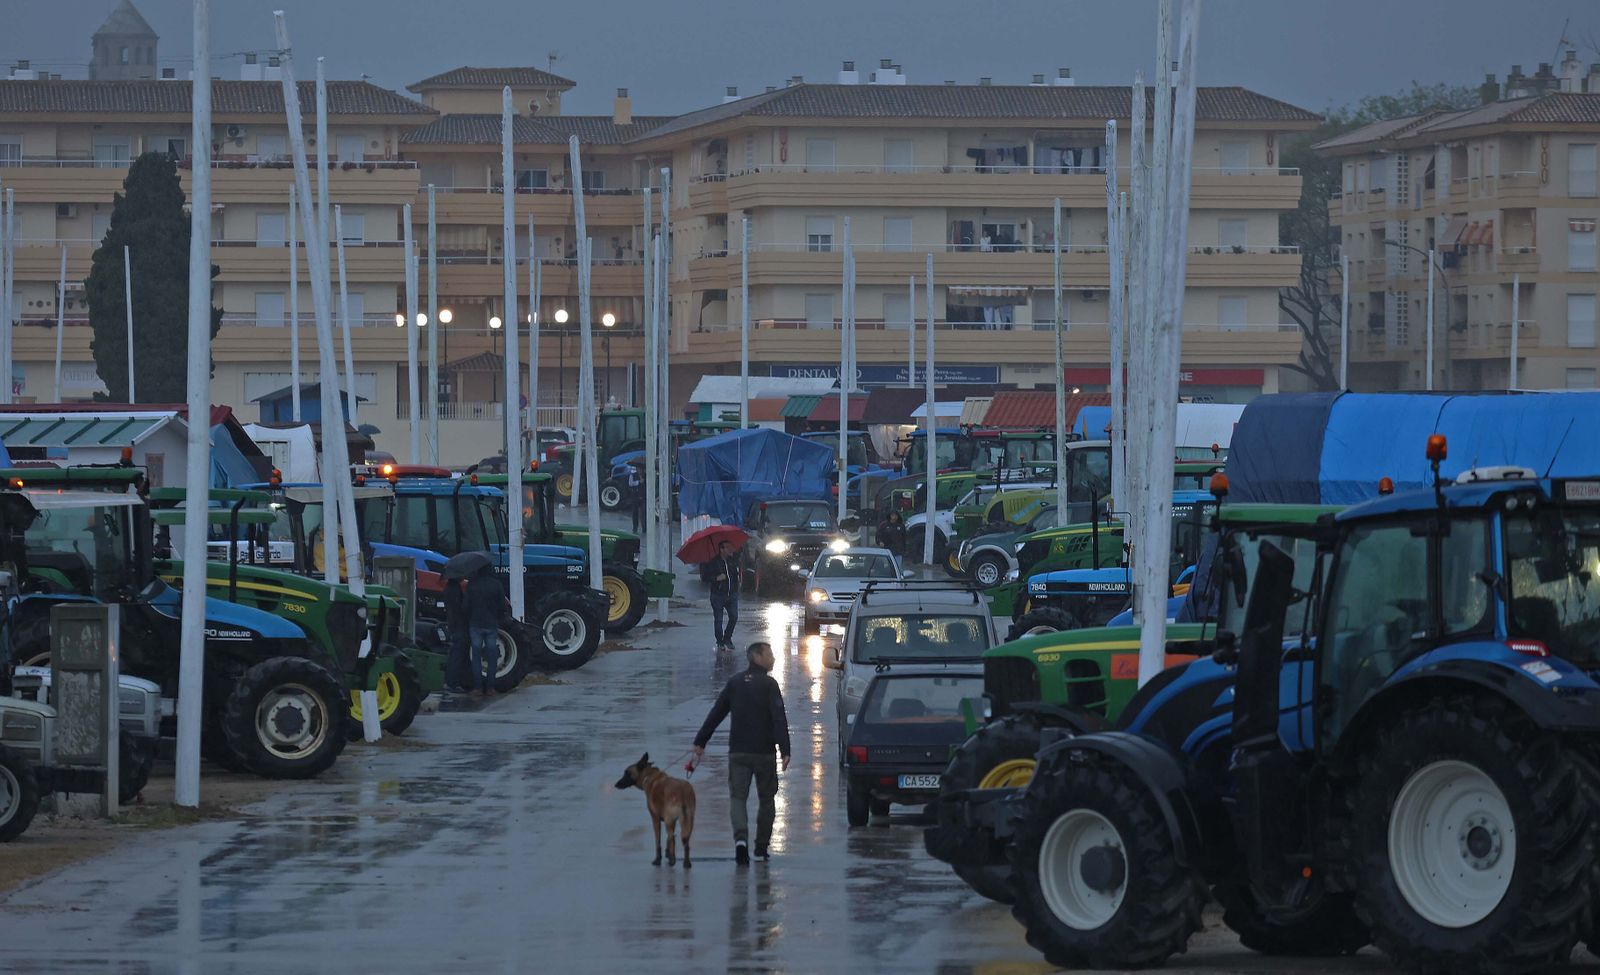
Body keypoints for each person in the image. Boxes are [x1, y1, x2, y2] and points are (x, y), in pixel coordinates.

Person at [691, 641, 791, 865]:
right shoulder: (769, 685)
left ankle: (741, 842)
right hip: (764, 753)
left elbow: (717, 713)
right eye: (770, 654)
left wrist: (700, 742)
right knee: (767, 800)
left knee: (738, 798)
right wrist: (785, 750)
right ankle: (762, 848)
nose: (773, 658)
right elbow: (778, 718)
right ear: (757, 657)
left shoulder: (735, 683)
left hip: (738, 752)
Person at [465, 566, 506, 696]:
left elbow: (466, 606)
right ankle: (490, 688)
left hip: (475, 623)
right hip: (491, 624)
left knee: (476, 656)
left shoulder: (472, 585)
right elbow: (502, 605)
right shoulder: (497, 585)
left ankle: (477, 687)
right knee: (492, 656)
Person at [700, 539, 740, 651]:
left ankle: (727, 638)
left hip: (731, 595)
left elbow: (735, 576)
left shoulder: (732, 561)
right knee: (718, 620)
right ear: (721, 549)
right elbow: (704, 577)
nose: (730, 549)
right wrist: (716, 578)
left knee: (734, 617)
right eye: (727, 547)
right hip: (718, 595)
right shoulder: (713, 562)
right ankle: (720, 641)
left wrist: (736, 589)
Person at [443, 576, 471, 693]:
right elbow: (461, 607)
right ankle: (452, 682)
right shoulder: (455, 590)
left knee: (456, 653)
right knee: (457, 653)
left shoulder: (449, 589)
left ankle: (452, 682)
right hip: (459, 625)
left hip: (453, 624)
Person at [626, 462, 644, 533]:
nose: (639, 470)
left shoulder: (645, 475)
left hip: (642, 496)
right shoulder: (633, 475)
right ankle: (635, 527)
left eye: (641, 469)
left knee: (643, 513)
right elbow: (630, 483)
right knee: (635, 513)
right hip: (635, 496)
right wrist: (639, 482)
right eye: (638, 469)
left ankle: (644, 527)